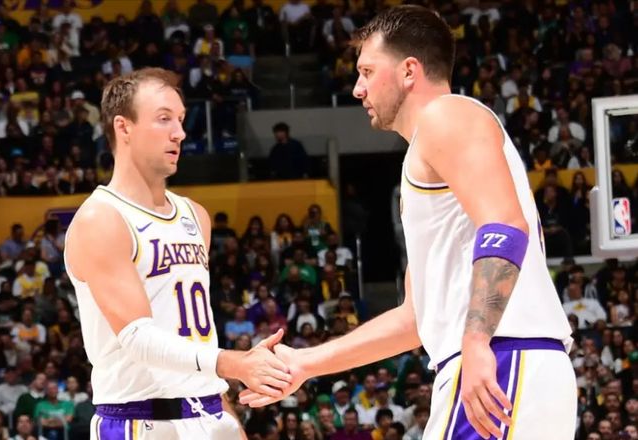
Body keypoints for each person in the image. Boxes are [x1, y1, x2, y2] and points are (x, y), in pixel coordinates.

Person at [240, 6, 576, 440]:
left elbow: (505, 226)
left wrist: (476, 341)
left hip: (502, 354)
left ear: (409, 70)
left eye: (367, 71)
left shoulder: (446, 115)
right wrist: (306, 363)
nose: (358, 88)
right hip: (504, 358)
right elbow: (414, 320)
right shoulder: (431, 154)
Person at [64, 68, 291, 439]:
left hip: (210, 412)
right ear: (123, 127)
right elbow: (138, 337)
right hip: (140, 419)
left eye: (181, 120)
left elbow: (197, 337)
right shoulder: (102, 219)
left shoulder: (195, 216)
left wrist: (227, 416)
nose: (180, 133)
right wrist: (233, 363)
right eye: (163, 118)